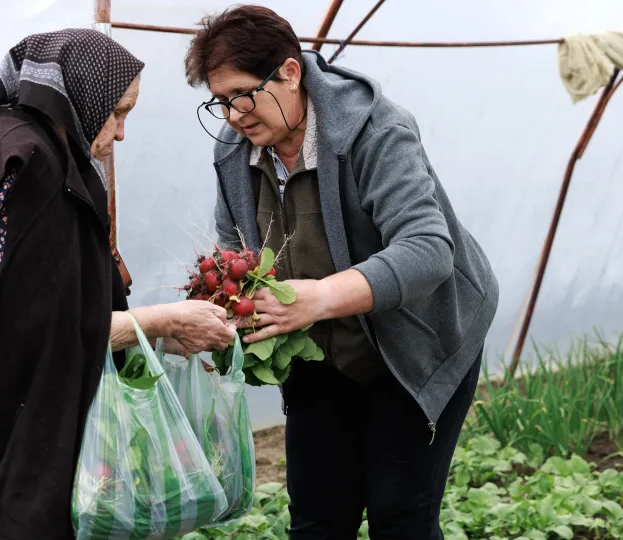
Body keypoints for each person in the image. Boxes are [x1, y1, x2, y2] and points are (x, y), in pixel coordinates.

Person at [0, 29, 235, 540]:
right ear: (82, 94)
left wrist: (151, 333)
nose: (122, 132)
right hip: (1, 464)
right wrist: (158, 322)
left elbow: (34, 303)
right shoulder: (28, 166)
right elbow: (30, 334)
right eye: (118, 112)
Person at [185, 6, 499, 539]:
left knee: (400, 514)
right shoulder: (236, 150)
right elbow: (233, 248)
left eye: (241, 94)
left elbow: (427, 249)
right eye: (219, 102)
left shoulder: (375, 130)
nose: (233, 114)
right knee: (316, 516)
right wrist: (216, 301)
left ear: (290, 72)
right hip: (320, 349)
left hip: (414, 343)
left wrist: (321, 296)